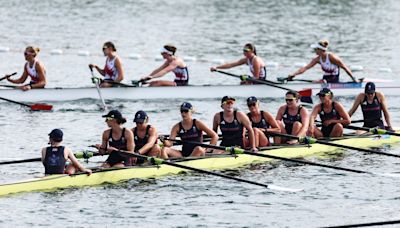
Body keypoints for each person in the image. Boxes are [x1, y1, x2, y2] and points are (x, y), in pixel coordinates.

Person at [288, 39, 356, 83]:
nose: (314, 50)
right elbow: (305, 68)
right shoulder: (317, 59)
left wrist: (354, 79)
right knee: (317, 82)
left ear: (320, 50)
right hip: (325, 79)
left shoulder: (332, 57)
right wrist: (293, 75)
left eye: (316, 49)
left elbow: (344, 67)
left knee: (318, 82)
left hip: (334, 79)